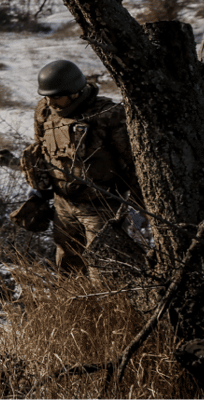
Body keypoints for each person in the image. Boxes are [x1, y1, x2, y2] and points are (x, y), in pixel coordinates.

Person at [17, 59, 145, 277]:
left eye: (56, 96)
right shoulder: (45, 111)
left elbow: (134, 162)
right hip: (63, 204)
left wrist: (139, 205)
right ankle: (75, 309)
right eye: (46, 96)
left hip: (103, 207)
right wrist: (40, 189)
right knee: (67, 265)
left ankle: (112, 310)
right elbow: (42, 146)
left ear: (75, 92)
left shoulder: (110, 114)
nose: (49, 101)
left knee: (104, 270)